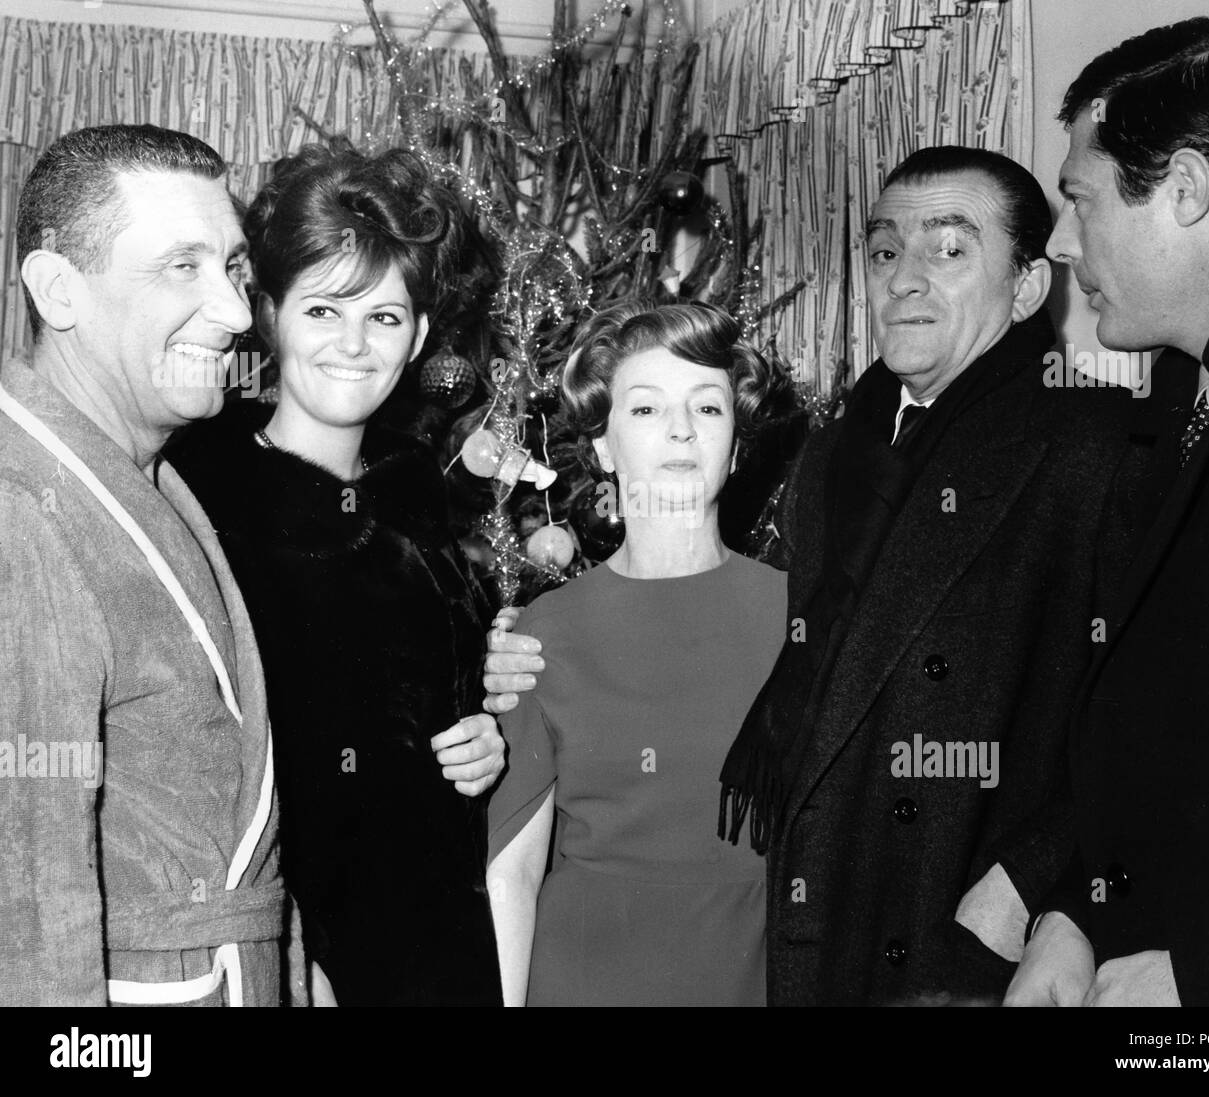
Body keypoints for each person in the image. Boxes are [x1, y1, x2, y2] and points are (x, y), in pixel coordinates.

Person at [487, 148, 1132, 1005]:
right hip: (824, 943)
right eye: (884, 251)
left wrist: (1038, 889)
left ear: (1024, 287)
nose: (905, 277)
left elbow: (1154, 713)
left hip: (964, 943)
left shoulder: (1096, 446)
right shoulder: (836, 458)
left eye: (949, 249)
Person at [1007, 15, 1209, 1007]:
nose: (1054, 241)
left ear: (1183, 190)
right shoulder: (1185, 391)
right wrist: (1078, 913)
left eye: (1078, 201)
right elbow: (1168, 734)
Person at [168, 142, 504, 1006]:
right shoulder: (201, 495)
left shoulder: (415, 489)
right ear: (270, 316)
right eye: (323, 310)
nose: (354, 345)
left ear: (420, 334)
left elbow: (440, 696)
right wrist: (281, 949)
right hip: (287, 952)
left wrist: (484, 737)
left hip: (438, 947)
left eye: (385, 318)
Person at [0, 123, 282, 1005]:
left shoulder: (145, 472)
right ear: (58, 290)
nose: (239, 313)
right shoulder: (21, 512)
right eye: (181, 267)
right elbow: (28, 905)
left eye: (233, 267)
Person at [484, 301, 786, 1006]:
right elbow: (514, 875)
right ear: (601, 447)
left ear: (737, 444)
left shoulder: (798, 618)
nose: (681, 429)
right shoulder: (543, 632)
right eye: (647, 410)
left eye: (708, 409)